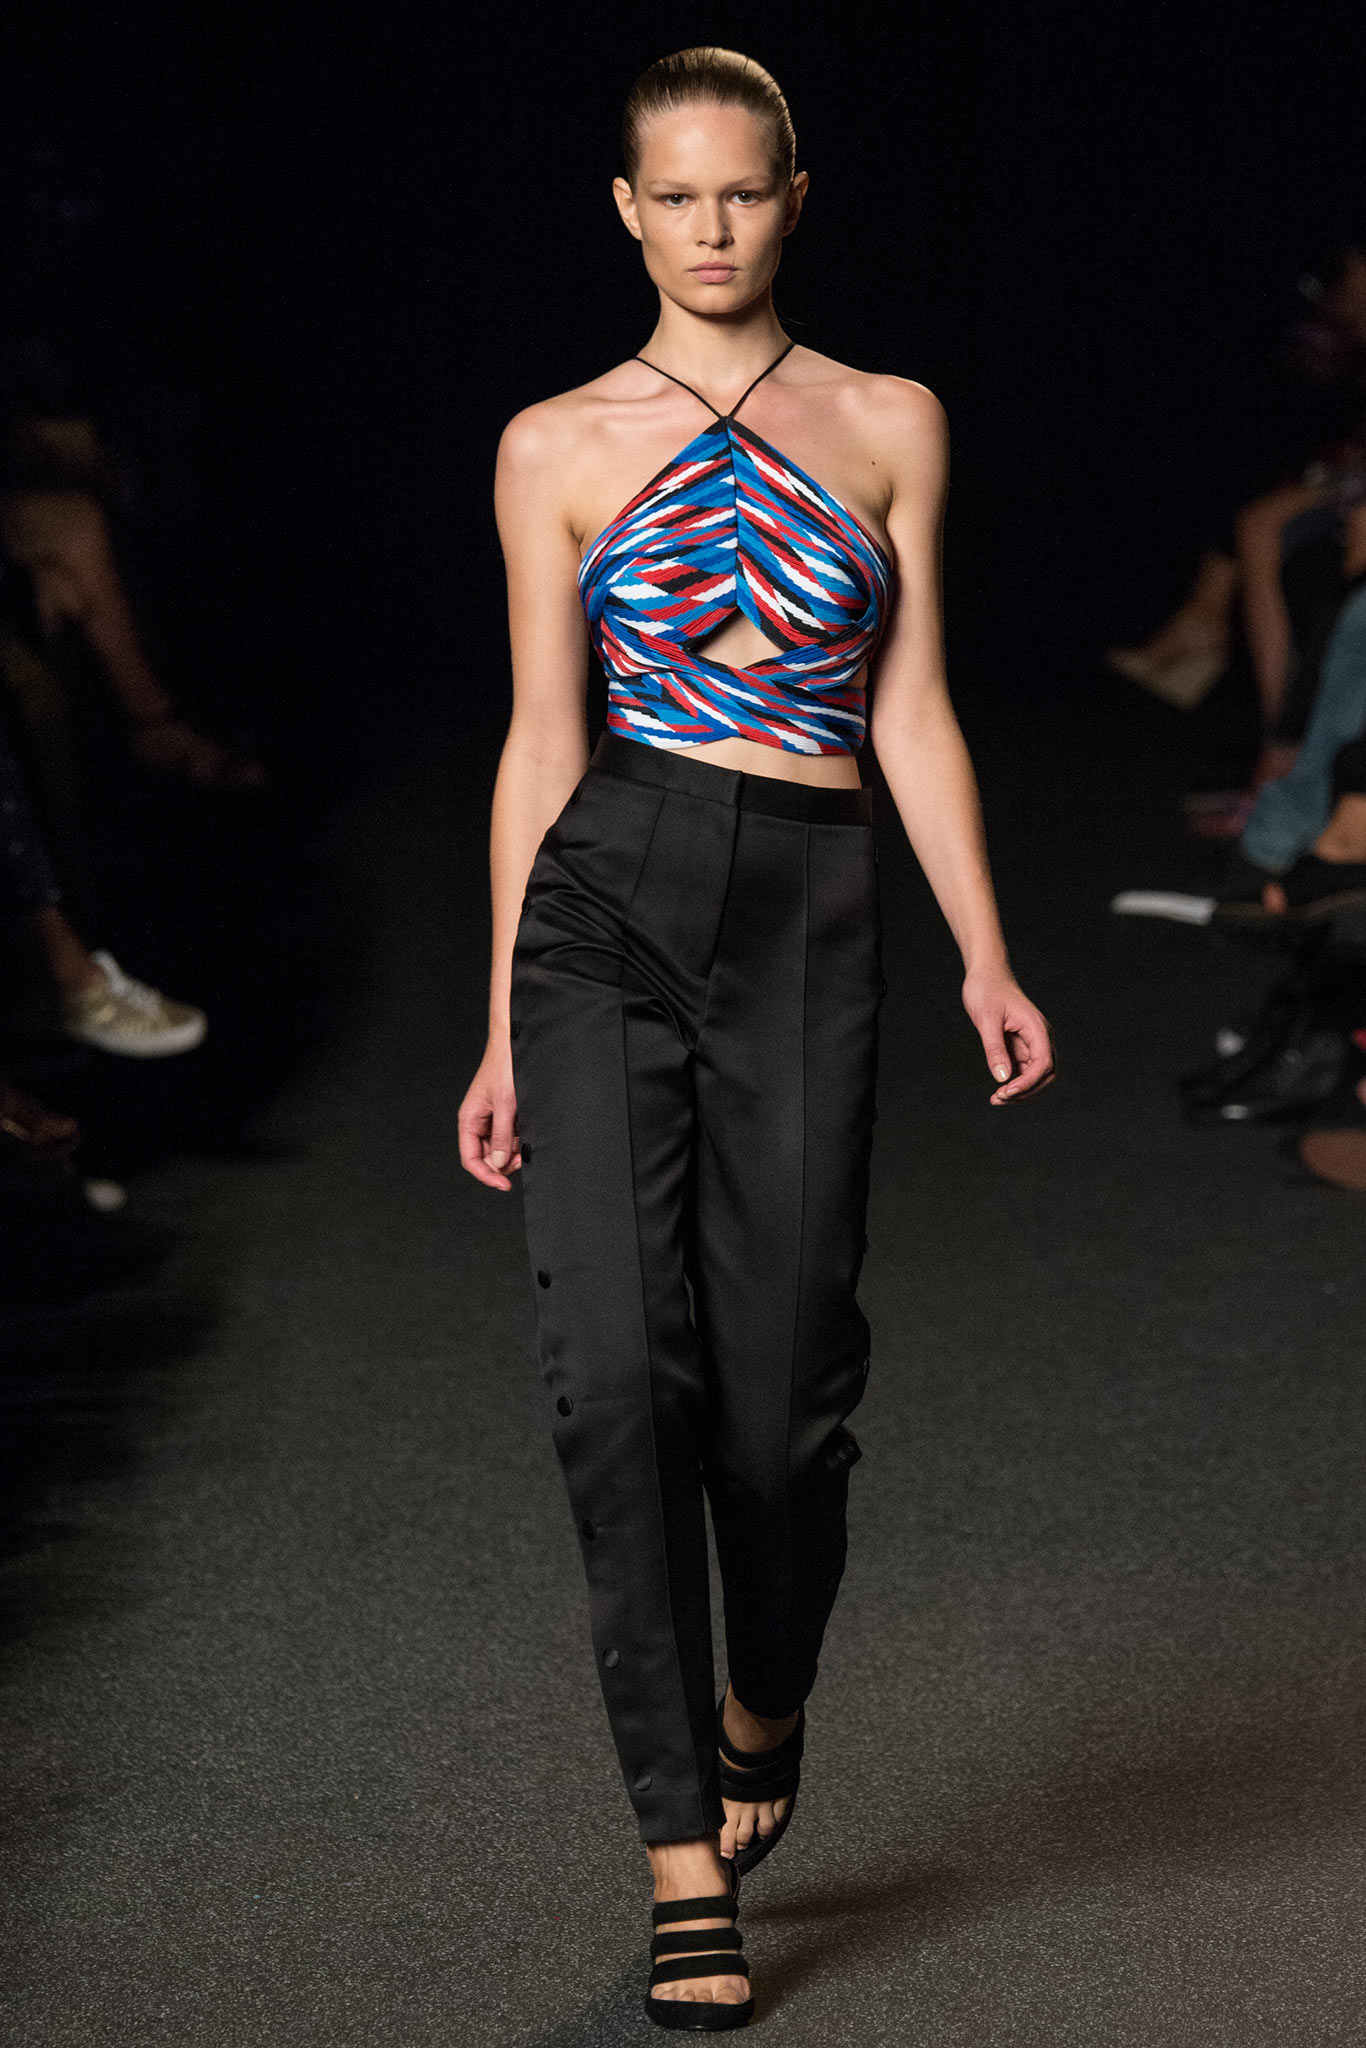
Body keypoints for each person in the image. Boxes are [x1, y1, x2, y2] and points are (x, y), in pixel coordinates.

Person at [458, 48, 1054, 2029]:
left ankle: (765, 1695)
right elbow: (539, 739)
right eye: (674, 196)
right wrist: (497, 1021)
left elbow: (911, 704)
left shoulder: (888, 420)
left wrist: (982, 949)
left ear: (793, 196)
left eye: (741, 191)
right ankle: (675, 1856)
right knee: (611, 1380)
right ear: (623, 212)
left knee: (784, 1403)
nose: (708, 228)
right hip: (603, 898)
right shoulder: (550, 443)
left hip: (808, 895)